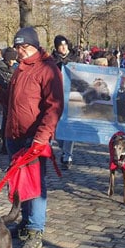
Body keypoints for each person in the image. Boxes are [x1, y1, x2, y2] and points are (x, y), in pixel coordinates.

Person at [0, 26, 64, 248]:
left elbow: (54, 106)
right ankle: (26, 222)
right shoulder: (19, 69)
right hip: (14, 134)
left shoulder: (48, 69)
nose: (20, 51)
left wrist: (42, 136)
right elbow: (11, 99)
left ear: (35, 46)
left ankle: (36, 231)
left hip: (33, 136)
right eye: (17, 47)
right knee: (19, 184)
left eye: (24, 47)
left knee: (35, 185)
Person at [51, 35, 80, 170]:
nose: (63, 48)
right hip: (56, 97)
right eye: (60, 46)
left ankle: (67, 155)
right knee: (56, 129)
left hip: (72, 97)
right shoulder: (51, 61)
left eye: (65, 45)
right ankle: (64, 148)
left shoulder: (76, 59)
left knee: (70, 127)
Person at [0, 47, 18, 153]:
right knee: (6, 120)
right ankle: (5, 143)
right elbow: (0, 83)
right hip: (4, 96)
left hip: (13, 96)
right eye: (11, 60)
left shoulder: (16, 67)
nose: (12, 62)